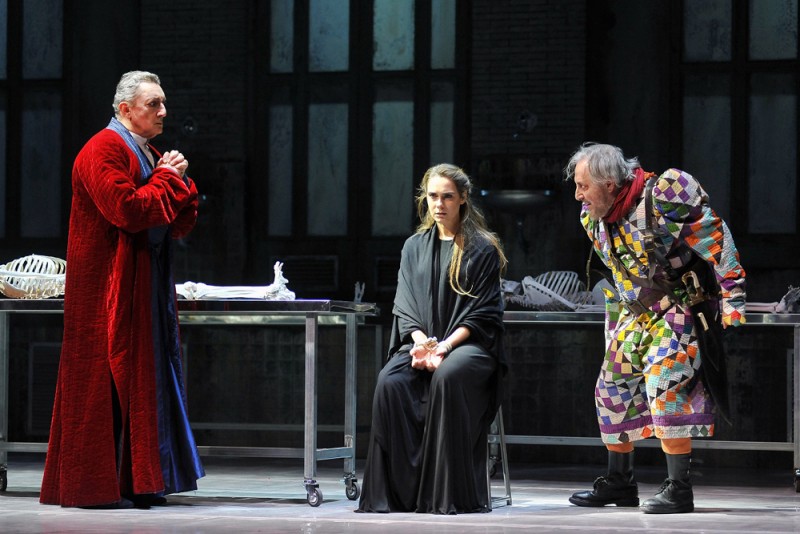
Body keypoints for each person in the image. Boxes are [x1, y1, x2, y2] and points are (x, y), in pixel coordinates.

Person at [40, 71, 204, 509]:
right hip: (106, 291)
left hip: (143, 282)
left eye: (163, 103)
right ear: (125, 109)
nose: (163, 112)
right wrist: (168, 179)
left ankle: (141, 481)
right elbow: (128, 211)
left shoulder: (147, 152)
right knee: (106, 380)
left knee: (148, 378)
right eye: (154, 104)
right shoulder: (102, 149)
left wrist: (178, 184)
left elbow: (177, 221)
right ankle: (97, 485)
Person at [564, 142, 746, 514]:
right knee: (611, 389)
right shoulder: (593, 216)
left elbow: (717, 238)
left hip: (677, 306)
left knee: (666, 383)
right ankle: (620, 482)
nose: (578, 194)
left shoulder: (665, 193)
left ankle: (679, 488)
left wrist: (733, 297)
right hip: (633, 314)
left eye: (584, 185)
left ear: (610, 183)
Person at [356, 163, 508, 514]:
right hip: (422, 342)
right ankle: (398, 495)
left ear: (463, 198)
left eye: (447, 197)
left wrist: (445, 346)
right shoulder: (413, 246)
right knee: (389, 381)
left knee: (447, 376)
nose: (439, 204)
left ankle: (444, 494)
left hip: (470, 346)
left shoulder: (482, 248)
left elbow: (482, 313)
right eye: (433, 196)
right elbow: (405, 304)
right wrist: (422, 342)